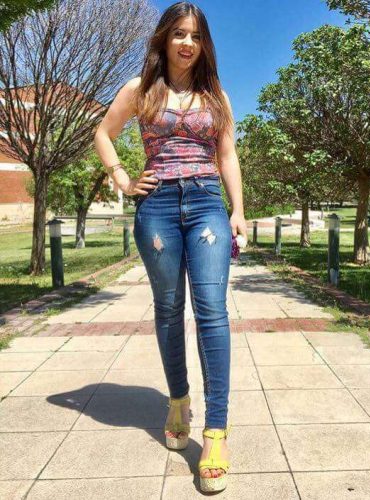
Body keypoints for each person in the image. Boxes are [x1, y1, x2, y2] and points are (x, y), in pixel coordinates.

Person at [94, 1, 247, 493]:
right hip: (156, 205)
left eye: (196, 36)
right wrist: (122, 178)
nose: (187, 43)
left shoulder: (215, 94)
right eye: (179, 33)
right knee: (167, 309)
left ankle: (216, 432)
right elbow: (103, 133)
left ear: (204, 45)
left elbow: (227, 154)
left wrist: (238, 210)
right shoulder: (139, 89)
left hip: (206, 204)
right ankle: (178, 400)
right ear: (164, 38)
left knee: (212, 312)